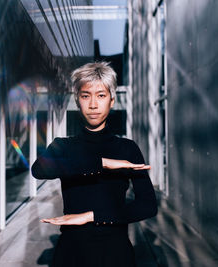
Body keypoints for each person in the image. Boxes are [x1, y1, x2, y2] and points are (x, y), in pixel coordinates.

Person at [31, 62, 158, 267]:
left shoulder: (127, 149)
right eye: (85, 95)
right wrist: (102, 163)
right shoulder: (63, 146)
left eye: (101, 95)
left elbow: (148, 206)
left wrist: (91, 216)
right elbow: (39, 170)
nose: (92, 104)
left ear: (112, 100)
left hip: (116, 253)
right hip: (72, 253)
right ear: (77, 100)